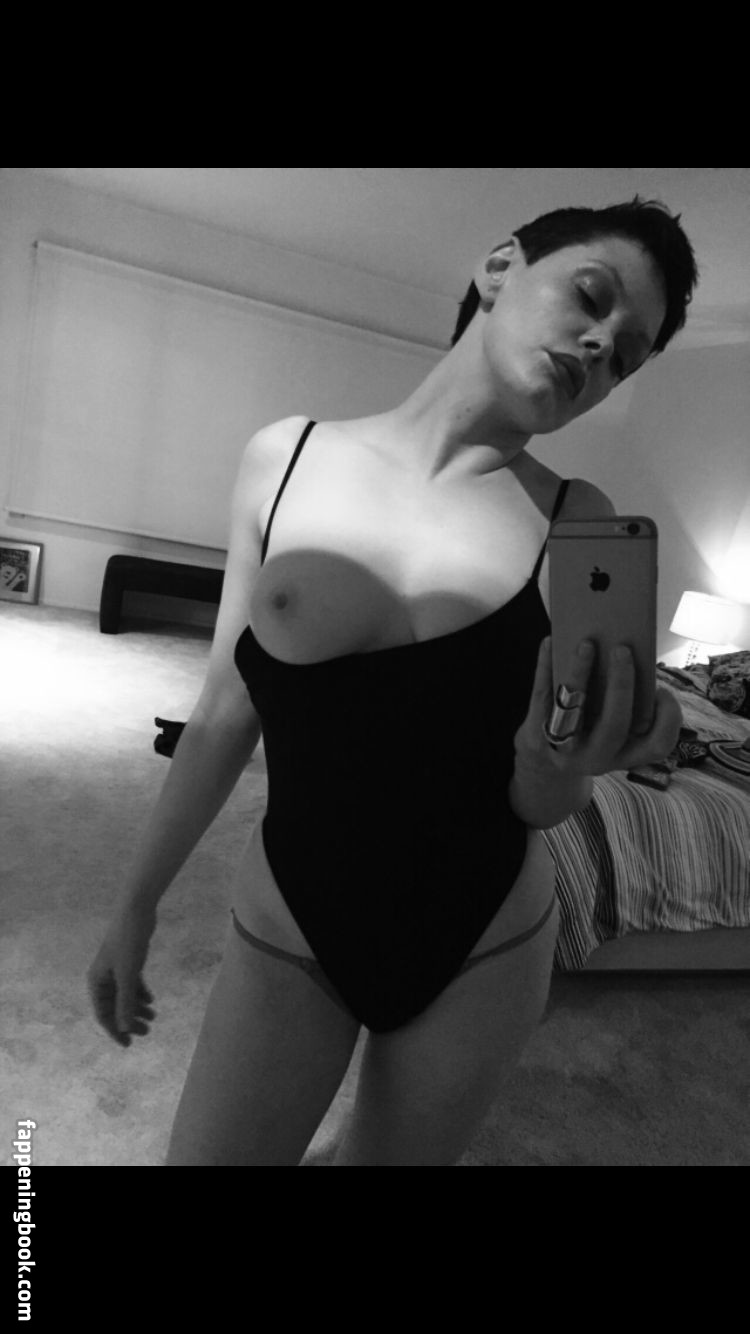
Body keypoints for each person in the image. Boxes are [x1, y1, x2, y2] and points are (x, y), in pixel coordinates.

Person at [87, 195, 696, 1166]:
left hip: (486, 941)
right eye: (592, 297)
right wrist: (134, 903)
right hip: (292, 914)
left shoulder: (578, 520)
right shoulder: (284, 459)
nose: (599, 346)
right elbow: (222, 713)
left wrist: (560, 761)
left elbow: (543, 802)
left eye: (626, 354)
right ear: (499, 267)